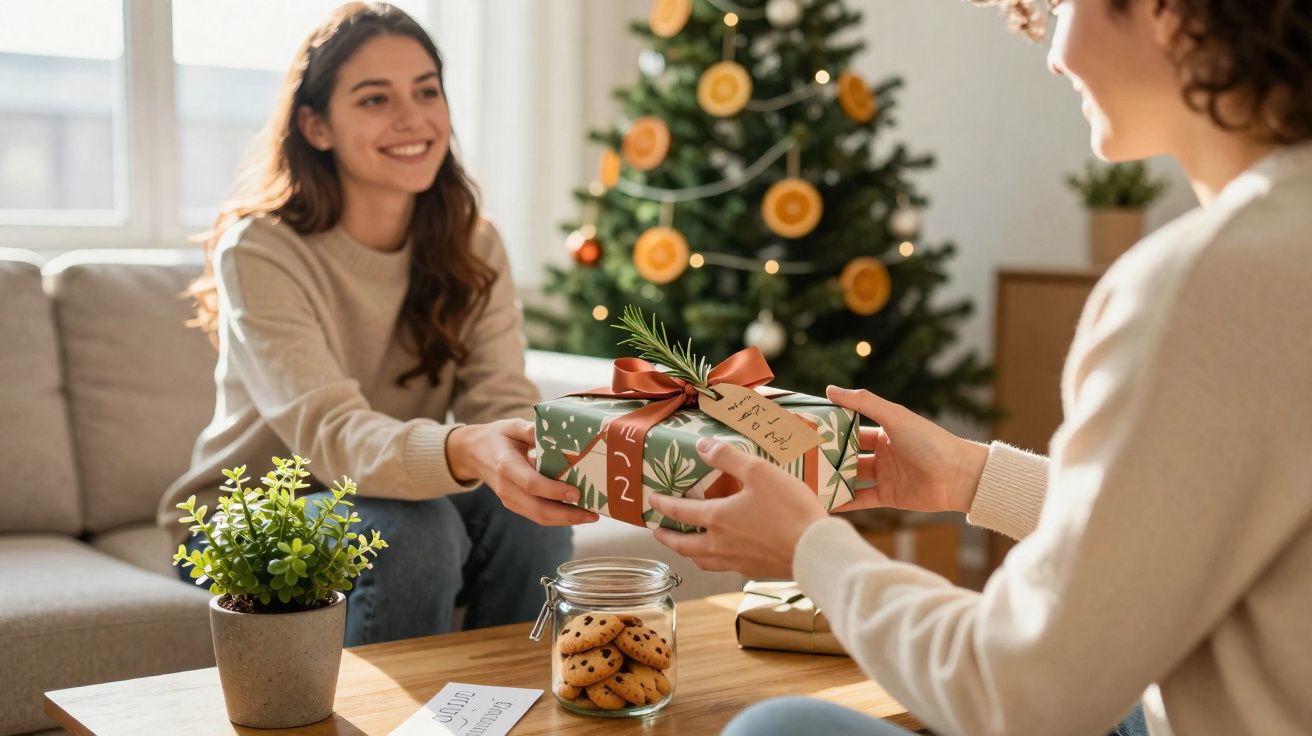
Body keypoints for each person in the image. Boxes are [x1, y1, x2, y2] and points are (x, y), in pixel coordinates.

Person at [648, 1, 1312, 734]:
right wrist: (969, 477)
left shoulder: (1206, 286)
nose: (1055, 55)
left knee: (777, 732)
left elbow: (1018, 695)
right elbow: (1192, 520)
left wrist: (812, 549)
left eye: (1062, 5)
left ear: (1170, 12)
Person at [160, 2, 597, 647]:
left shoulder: (473, 245)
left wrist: (542, 452)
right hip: (246, 514)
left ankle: (509, 709)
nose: (412, 118)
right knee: (414, 533)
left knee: (529, 510)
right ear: (315, 126)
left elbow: (500, 400)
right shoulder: (259, 250)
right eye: (374, 99)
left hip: (393, 493)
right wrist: (461, 449)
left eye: (427, 91)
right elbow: (332, 436)